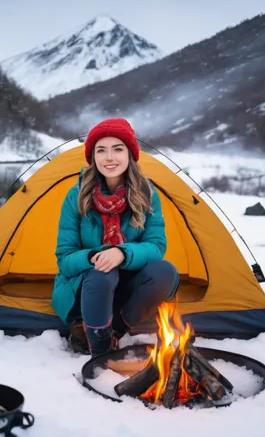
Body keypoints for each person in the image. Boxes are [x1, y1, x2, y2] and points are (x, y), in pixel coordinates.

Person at [51, 118, 180, 357]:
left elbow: (156, 246)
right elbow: (65, 259)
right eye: (101, 150)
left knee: (166, 272)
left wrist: (122, 253)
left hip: (126, 285)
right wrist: (94, 256)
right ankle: (97, 347)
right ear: (93, 157)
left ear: (130, 154)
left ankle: (114, 332)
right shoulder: (76, 195)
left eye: (117, 149)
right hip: (84, 289)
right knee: (103, 272)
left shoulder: (147, 194)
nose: (109, 157)